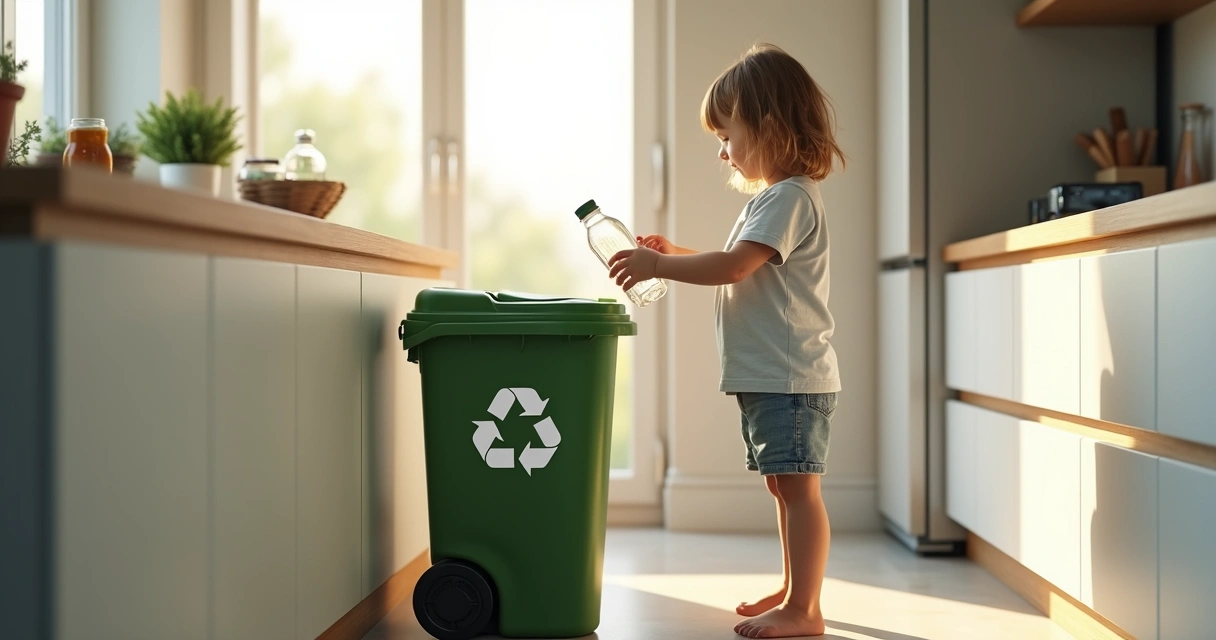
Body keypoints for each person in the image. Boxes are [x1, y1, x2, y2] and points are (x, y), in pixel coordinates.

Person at [607, 43, 845, 639]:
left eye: (726, 135)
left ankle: (806, 609)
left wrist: (659, 267)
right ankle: (794, 590)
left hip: (789, 376)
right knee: (783, 486)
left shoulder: (790, 197)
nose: (722, 151)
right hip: (772, 374)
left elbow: (735, 268)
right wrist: (676, 253)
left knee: (798, 490)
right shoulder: (775, 199)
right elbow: (740, 262)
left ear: (768, 125)